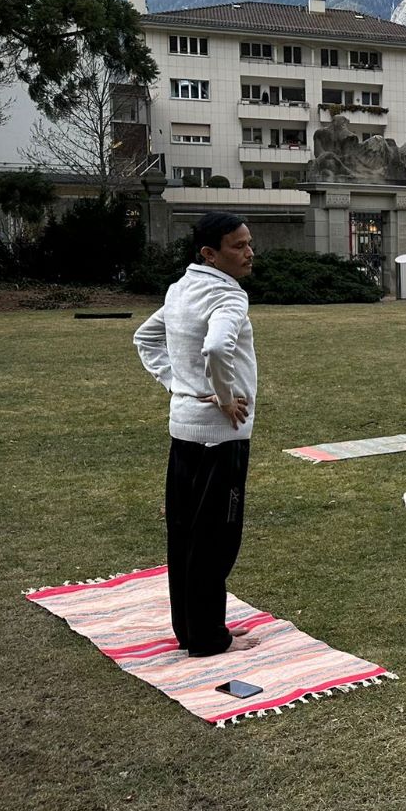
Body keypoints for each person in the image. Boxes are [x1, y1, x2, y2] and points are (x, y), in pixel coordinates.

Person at [133, 212, 261, 657]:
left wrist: (178, 384)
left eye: (249, 243)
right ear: (209, 254)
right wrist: (223, 396)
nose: (248, 253)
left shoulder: (180, 289)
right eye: (238, 246)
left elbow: (145, 338)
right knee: (216, 540)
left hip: (184, 429)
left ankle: (195, 628)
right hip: (221, 435)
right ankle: (208, 638)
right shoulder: (229, 298)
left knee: (186, 535)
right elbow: (214, 347)